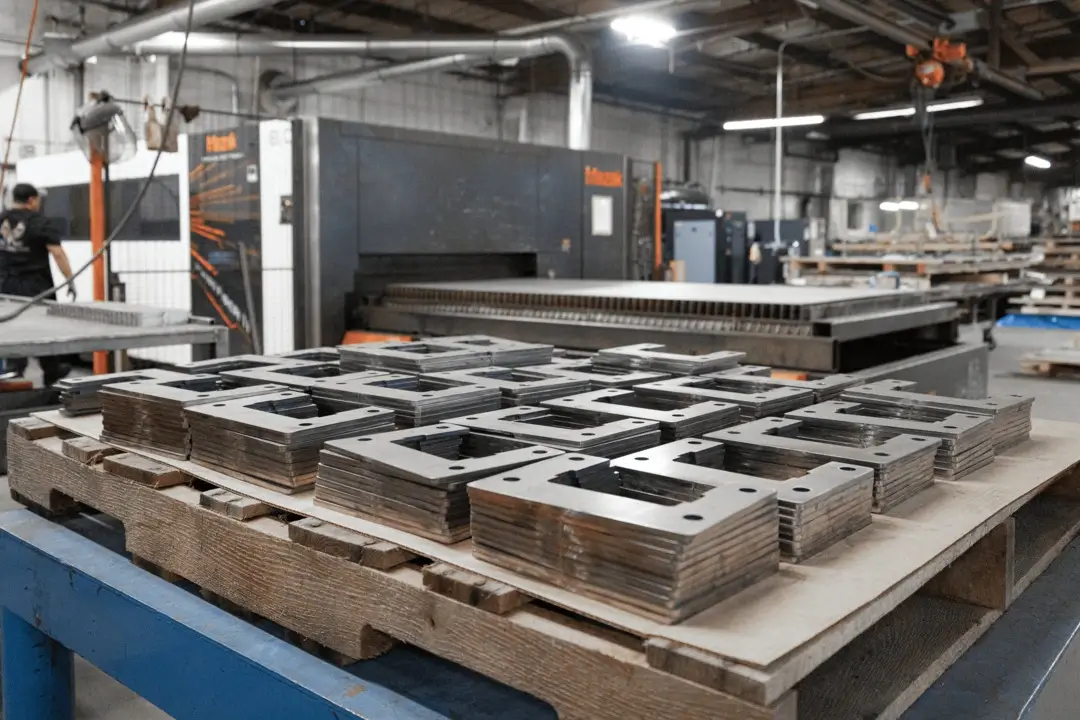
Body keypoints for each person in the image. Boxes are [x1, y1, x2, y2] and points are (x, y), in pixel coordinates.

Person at [0, 183, 76, 384]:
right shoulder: (41, 222)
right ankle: (50, 372)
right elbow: (57, 253)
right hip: (37, 287)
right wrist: (70, 280)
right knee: (45, 329)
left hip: (6, 286)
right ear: (32, 200)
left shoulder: (1, 220)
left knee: (12, 327)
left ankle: (15, 369)